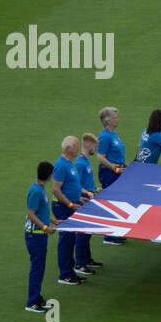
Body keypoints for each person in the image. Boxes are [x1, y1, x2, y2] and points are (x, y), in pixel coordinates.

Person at [51, 136, 89, 285]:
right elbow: (56, 190)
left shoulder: (69, 164)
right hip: (63, 208)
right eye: (76, 147)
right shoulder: (61, 165)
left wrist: (79, 198)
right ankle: (65, 274)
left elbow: (70, 187)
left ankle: (70, 272)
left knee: (71, 239)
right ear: (68, 148)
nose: (78, 149)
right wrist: (70, 205)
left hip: (71, 204)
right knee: (66, 240)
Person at [24, 160, 56, 312]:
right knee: (37, 268)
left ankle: (36, 297)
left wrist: (54, 221)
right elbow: (31, 214)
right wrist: (45, 227)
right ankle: (31, 302)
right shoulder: (36, 191)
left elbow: (42, 212)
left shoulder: (40, 188)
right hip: (35, 236)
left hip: (40, 235)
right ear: (49, 175)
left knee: (40, 267)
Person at [96, 107, 129, 245]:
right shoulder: (104, 136)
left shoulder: (113, 134)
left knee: (117, 202)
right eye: (115, 117)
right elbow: (100, 157)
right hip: (109, 173)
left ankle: (115, 232)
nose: (118, 119)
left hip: (117, 171)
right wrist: (115, 169)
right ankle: (109, 236)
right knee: (111, 203)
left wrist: (123, 166)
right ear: (108, 121)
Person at [73, 133, 103, 275]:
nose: (96, 150)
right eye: (95, 147)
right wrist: (88, 193)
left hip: (89, 198)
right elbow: (75, 185)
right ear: (89, 145)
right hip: (83, 201)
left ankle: (86, 258)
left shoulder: (86, 161)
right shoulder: (79, 163)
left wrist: (94, 189)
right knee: (82, 232)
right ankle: (80, 263)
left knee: (88, 231)